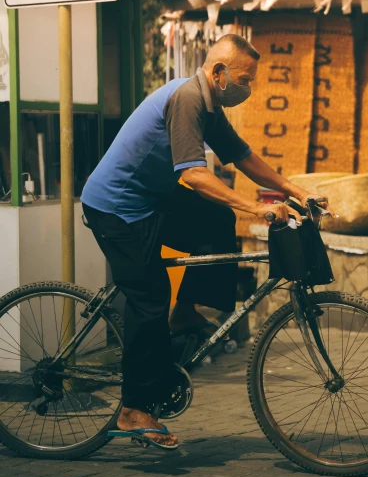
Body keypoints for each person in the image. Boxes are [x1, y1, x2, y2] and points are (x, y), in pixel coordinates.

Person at [81, 34, 327, 450]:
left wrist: (295, 191)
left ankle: (187, 313)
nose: (248, 89)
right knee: (149, 297)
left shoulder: (210, 106)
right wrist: (256, 208)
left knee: (216, 218)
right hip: (117, 208)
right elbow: (193, 175)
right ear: (219, 73)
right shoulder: (188, 98)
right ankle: (133, 410)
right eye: (245, 80)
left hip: (151, 200)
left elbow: (245, 158)